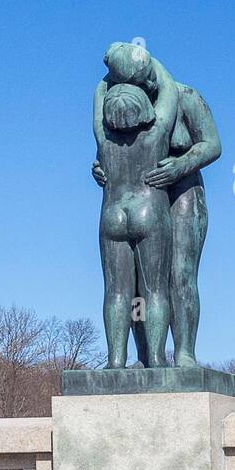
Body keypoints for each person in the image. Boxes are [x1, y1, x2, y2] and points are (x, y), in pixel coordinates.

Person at [92, 43, 221, 366]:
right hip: (146, 195)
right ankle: (147, 356)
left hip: (182, 190)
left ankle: (184, 352)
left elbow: (213, 145)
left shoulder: (184, 96)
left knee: (179, 274)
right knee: (136, 285)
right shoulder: (121, 105)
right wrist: (99, 169)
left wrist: (180, 165)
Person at [95, 82, 178, 368]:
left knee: (116, 291)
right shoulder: (156, 135)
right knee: (155, 290)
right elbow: (169, 91)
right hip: (148, 211)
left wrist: (107, 79)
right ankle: (155, 358)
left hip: (112, 214)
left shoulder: (103, 141)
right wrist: (143, 66)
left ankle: (115, 360)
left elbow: (96, 108)